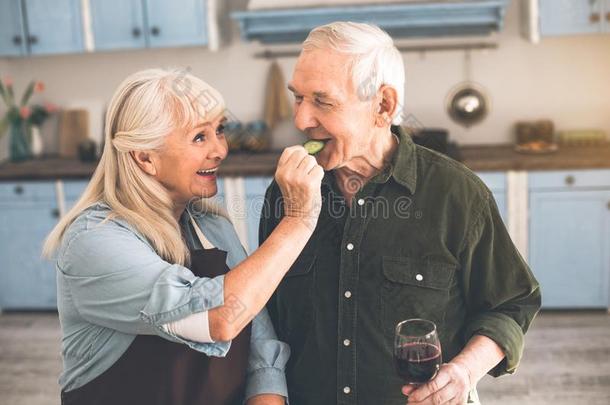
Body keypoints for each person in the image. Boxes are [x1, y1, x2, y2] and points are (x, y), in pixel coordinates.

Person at [259, 22, 541, 405]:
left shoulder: (456, 193)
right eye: (298, 98)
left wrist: (464, 372)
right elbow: (266, 320)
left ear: (383, 105)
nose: (301, 120)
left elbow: (511, 304)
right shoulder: (286, 193)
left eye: (322, 101)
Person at [43, 68, 324, 405]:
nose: (220, 149)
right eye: (199, 137)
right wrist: (298, 221)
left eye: (219, 130)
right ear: (145, 157)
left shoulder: (212, 226)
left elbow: (260, 348)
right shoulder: (93, 242)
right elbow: (221, 318)